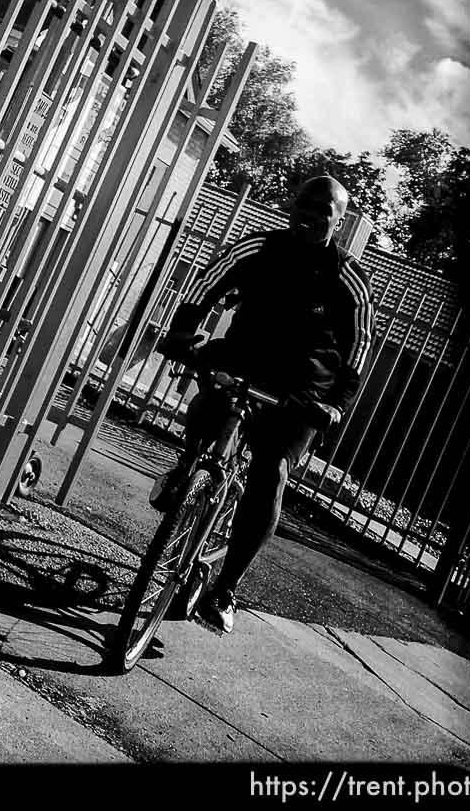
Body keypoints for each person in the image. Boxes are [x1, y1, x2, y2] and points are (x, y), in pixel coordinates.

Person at [152, 174, 375, 634]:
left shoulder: (348, 278)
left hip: (302, 393)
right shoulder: (256, 248)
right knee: (208, 410)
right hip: (244, 361)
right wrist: (183, 330)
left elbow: (361, 344)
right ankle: (189, 467)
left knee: (270, 472)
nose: (309, 218)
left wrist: (336, 404)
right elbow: (205, 286)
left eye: (323, 213)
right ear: (292, 208)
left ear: (338, 221)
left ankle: (225, 588)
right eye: (304, 207)